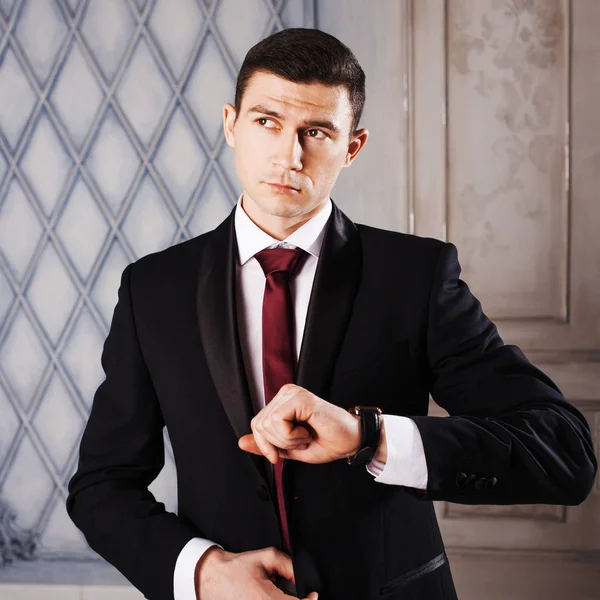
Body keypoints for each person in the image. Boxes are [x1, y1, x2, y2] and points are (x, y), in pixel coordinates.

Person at [66, 28, 597, 600]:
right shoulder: (153, 288)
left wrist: (369, 436)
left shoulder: (416, 276)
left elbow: (563, 453)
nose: (288, 156)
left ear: (352, 147)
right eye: (266, 122)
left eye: (315, 132)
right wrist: (204, 572)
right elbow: (102, 485)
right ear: (230, 123)